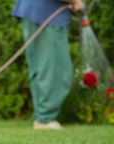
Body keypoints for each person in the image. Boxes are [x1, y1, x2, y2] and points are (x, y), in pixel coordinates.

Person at [12, 0, 85, 129]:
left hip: (35, 11)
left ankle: (42, 117)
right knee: (55, 68)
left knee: (41, 67)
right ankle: (45, 119)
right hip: (47, 14)